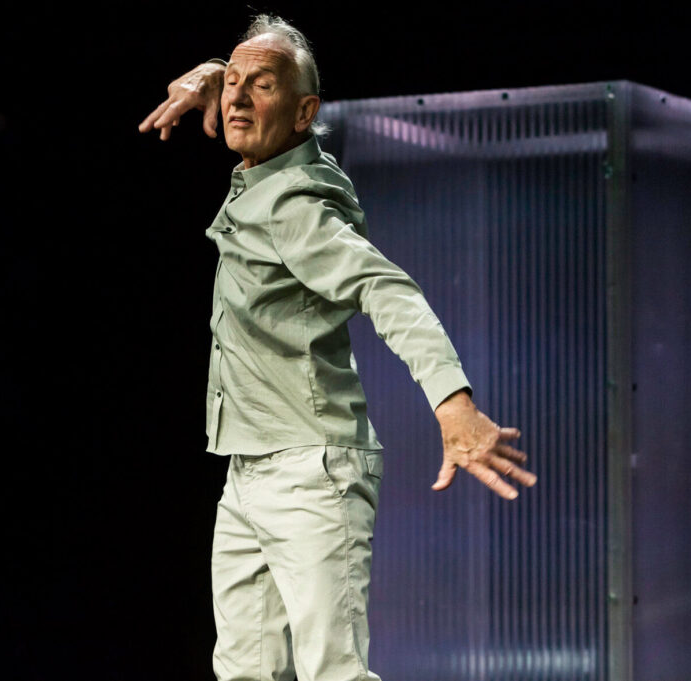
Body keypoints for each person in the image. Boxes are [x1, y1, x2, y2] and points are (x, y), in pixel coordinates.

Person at [139, 15, 536, 681]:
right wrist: (219, 75)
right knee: (243, 670)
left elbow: (387, 289)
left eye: (261, 87)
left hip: (309, 470)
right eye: (233, 84)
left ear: (305, 113)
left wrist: (453, 403)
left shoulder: (296, 205)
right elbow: (253, 86)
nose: (238, 99)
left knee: (334, 671)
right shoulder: (269, 172)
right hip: (249, 467)